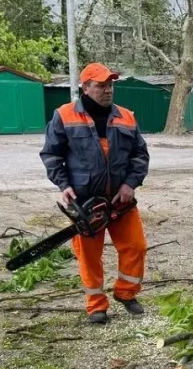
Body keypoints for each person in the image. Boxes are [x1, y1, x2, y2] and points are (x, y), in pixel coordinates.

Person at [40, 63, 150, 324]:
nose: (107, 90)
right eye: (101, 85)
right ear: (85, 87)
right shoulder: (65, 115)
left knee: (136, 246)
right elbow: (51, 155)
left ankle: (126, 292)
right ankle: (96, 305)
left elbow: (139, 155)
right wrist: (63, 184)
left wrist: (130, 184)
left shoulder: (126, 116)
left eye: (110, 85)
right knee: (89, 256)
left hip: (120, 200)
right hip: (85, 201)